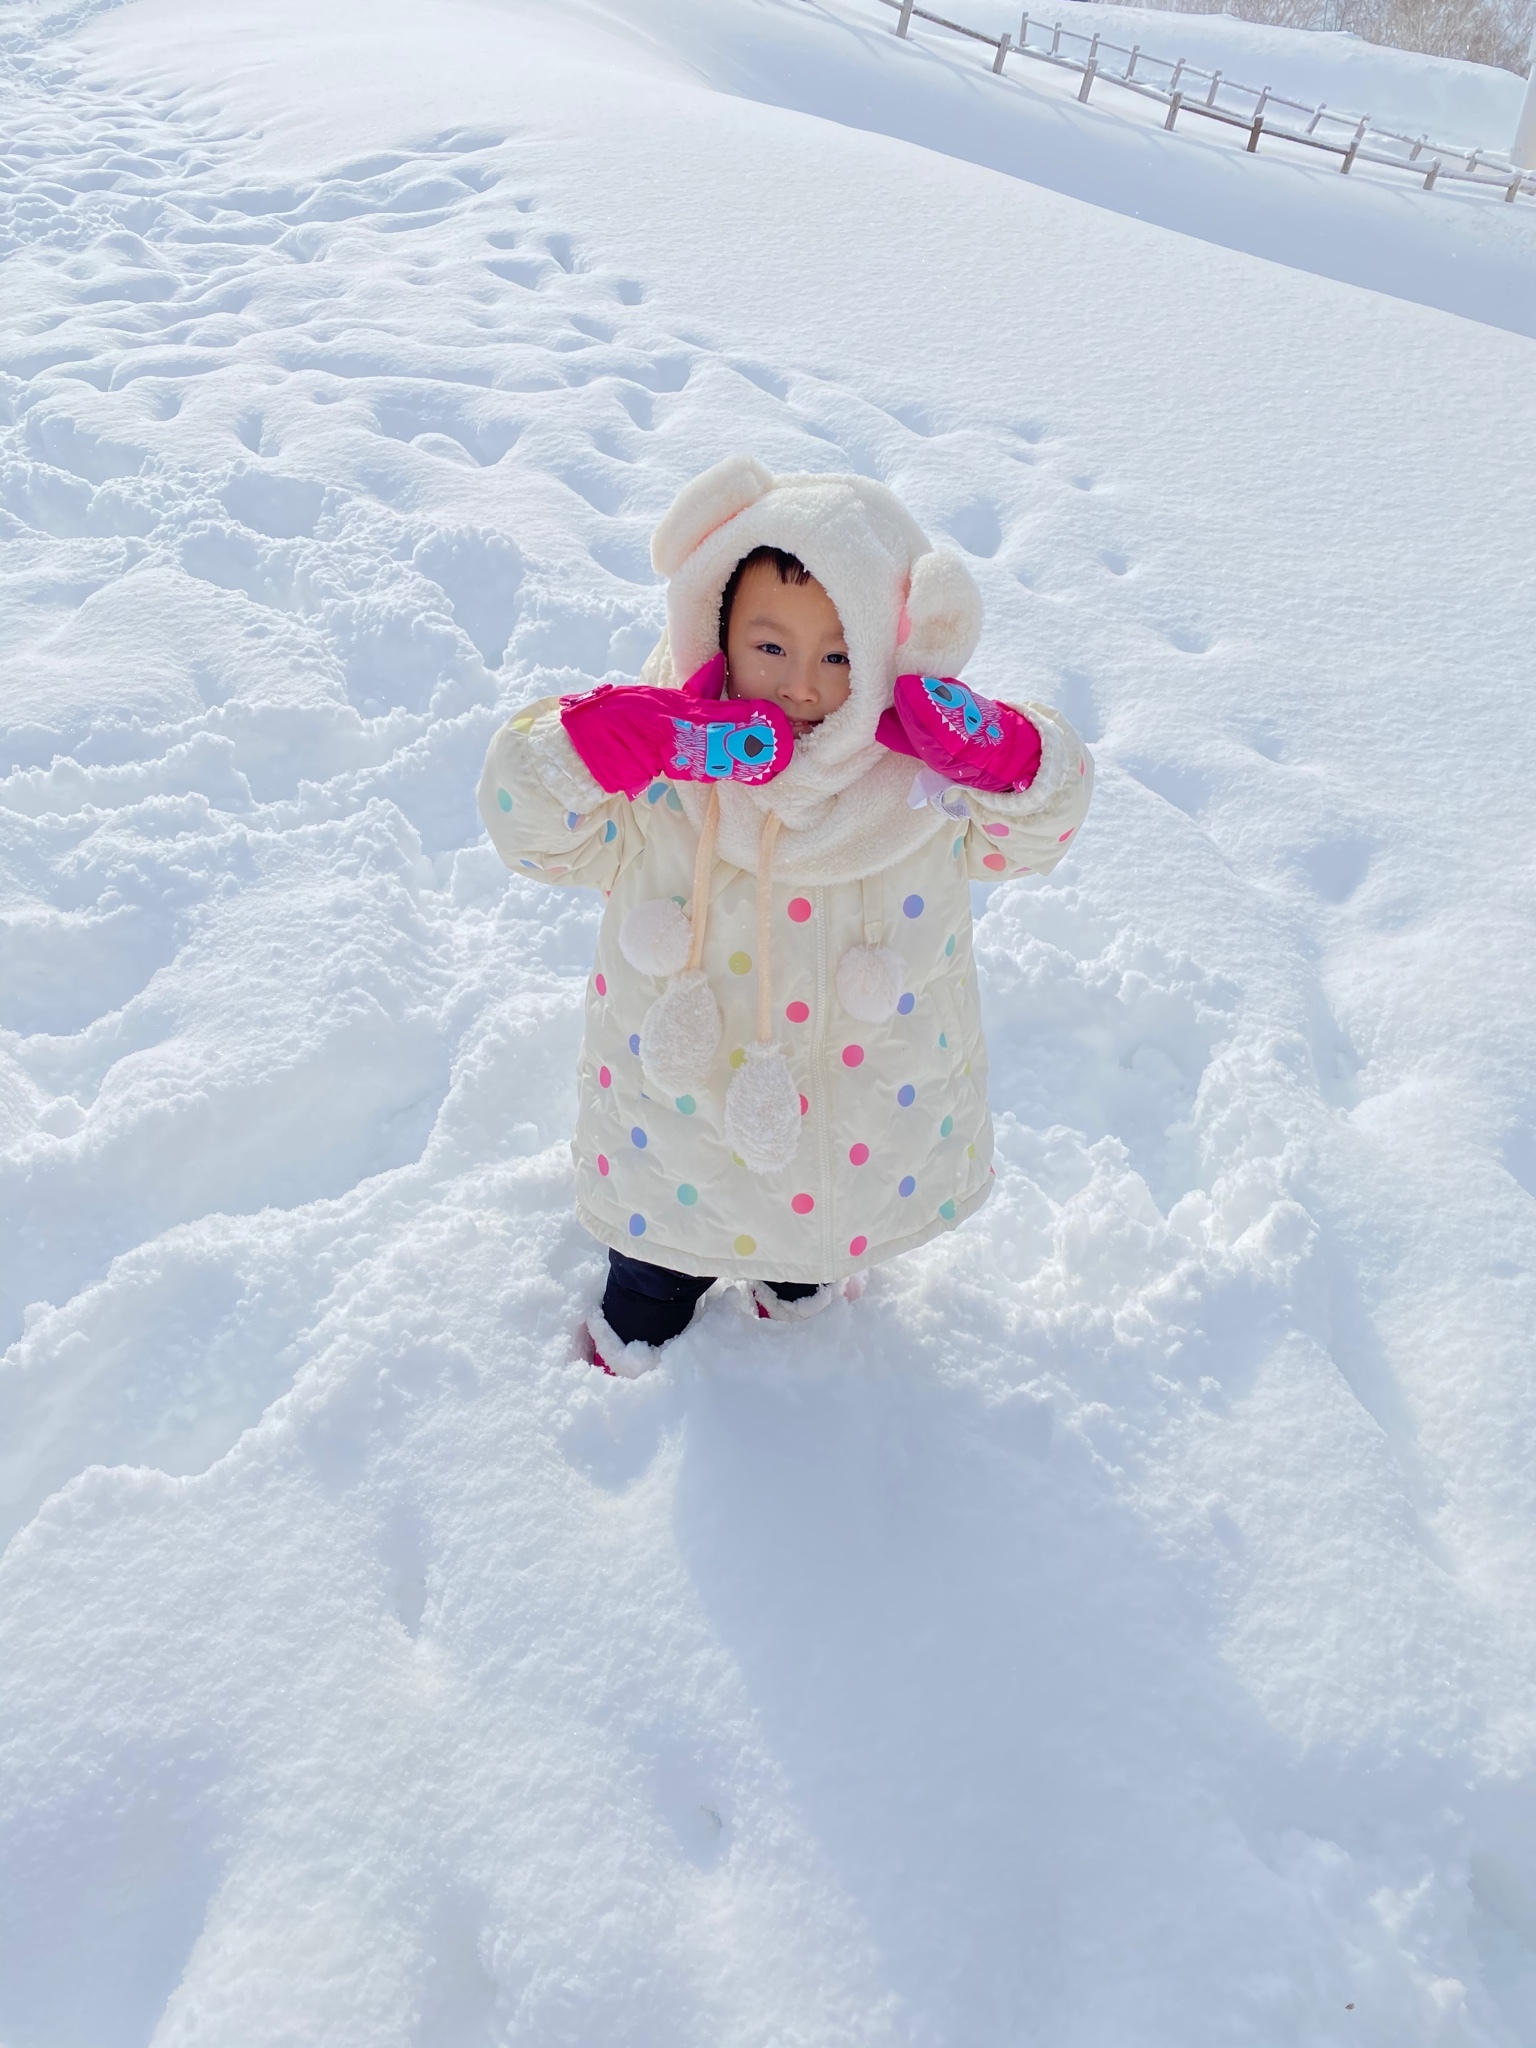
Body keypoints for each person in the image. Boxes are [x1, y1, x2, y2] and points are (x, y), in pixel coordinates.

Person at [477, 456, 1092, 1374]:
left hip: (836, 1145)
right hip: (668, 1141)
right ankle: (631, 1351)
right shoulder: (665, 779)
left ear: (891, 651)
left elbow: (1036, 835)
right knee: (652, 1276)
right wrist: (598, 745)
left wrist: (1009, 760)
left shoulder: (920, 796)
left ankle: (796, 1316)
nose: (802, 685)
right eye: (771, 648)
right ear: (714, 631)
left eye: (840, 656)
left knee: (807, 1276)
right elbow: (531, 833)